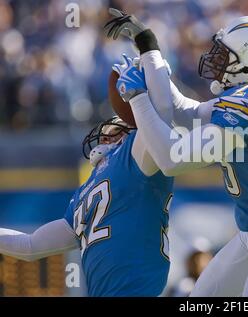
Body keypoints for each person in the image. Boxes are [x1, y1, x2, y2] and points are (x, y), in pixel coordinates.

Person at [106, 10, 248, 297]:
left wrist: (138, 97)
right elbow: (187, 112)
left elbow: (172, 159)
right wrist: (150, 50)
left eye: (226, 55)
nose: (216, 60)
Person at [0, 66, 176, 296]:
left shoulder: (137, 153)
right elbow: (31, 246)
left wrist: (149, 63)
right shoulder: (85, 190)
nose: (102, 139)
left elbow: (161, 115)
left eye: (110, 133)